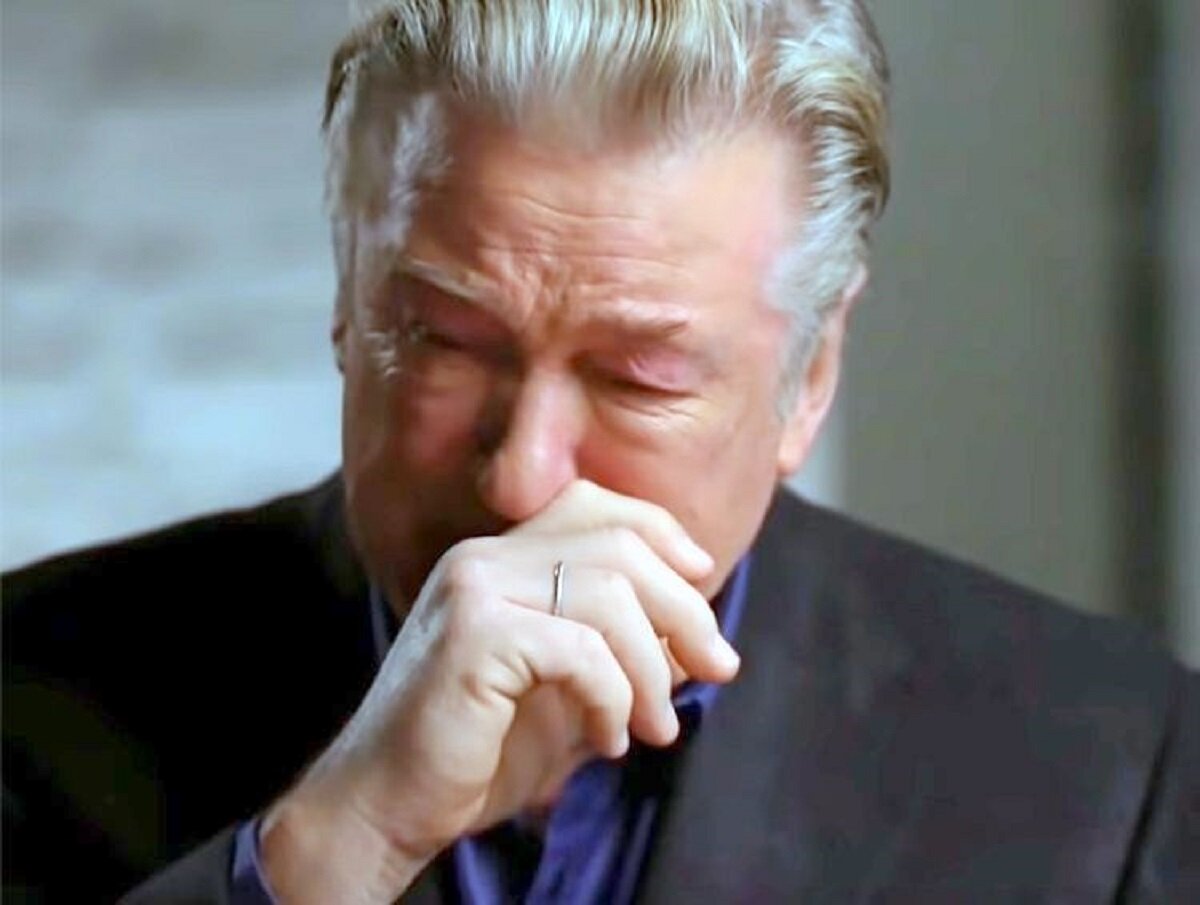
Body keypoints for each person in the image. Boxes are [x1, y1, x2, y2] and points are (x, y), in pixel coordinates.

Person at [4, 1, 1196, 901]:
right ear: (345, 297)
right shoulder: (30, 698)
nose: (523, 476)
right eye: (445, 340)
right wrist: (336, 847)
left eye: (639, 378)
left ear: (811, 376)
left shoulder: (1108, 769)